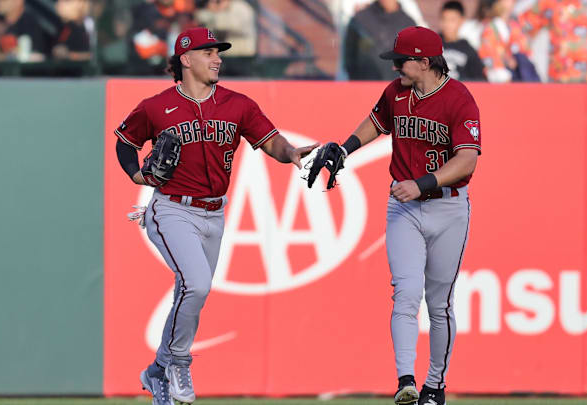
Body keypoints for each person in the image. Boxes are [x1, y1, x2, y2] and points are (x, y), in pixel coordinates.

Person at [114, 27, 318, 405]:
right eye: (208, 52)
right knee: (197, 284)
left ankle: (157, 370)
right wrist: (137, 175)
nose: (218, 58)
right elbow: (125, 141)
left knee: (192, 291)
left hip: (214, 213)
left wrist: (288, 152)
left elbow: (268, 139)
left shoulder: (237, 103)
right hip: (172, 208)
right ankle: (176, 360)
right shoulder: (157, 106)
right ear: (186, 60)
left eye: (218, 52)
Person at [310, 26, 480, 405]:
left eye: (402, 61)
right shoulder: (396, 93)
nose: (396, 67)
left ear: (424, 61)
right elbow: (377, 122)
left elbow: (467, 159)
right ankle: (406, 379)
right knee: (405, 293)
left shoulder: (458, 99)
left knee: (440, 304)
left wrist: (422, 182)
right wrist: (347, 147)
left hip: (448, 206)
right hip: (404, 206)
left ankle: (434, 387)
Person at [343, 0, 417, 80]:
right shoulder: (360, 20)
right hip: (365, 86)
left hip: (396, 87)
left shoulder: (409, 24)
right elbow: (349, 59)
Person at [478, 0, 537, 82]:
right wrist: (506, 60)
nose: (513, 2)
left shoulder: (515, 25)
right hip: (500, 77)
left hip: (519, 75)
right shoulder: (490, 28)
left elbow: (525, 49)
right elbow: (487, 54)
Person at [439, 1, 486, 81]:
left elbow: (479, 82)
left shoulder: (469, 50)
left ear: (461, 21)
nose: (447, 24)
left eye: (452, 20)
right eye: (444, 19)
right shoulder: (431, 45)